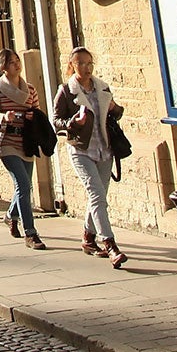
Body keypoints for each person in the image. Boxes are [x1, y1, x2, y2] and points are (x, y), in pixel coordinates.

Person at [53, 46, 126, 267]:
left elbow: (117, 113)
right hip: (81, 150)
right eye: (81, 63)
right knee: (96, 194)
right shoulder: (66, 91)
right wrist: (73, 123)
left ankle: (87, 237)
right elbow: (56, 121)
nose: (86, 67)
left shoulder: (102, 87)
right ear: (72, 66)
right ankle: (110, 244)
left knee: (99, 197)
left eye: (89, 63)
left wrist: (114, 108)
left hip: (104, 148)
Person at [0, 48, 44, 250]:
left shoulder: (30, 89)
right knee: (23, 186)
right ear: (2, 67)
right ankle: (31, 233)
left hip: (25, 142)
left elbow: (36, 113)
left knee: (25, 187)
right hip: (7, 142)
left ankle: (10, 215)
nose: (17, 65)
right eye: (11, 62)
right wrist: (3, 117)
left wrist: (31, 117)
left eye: (18, 61)